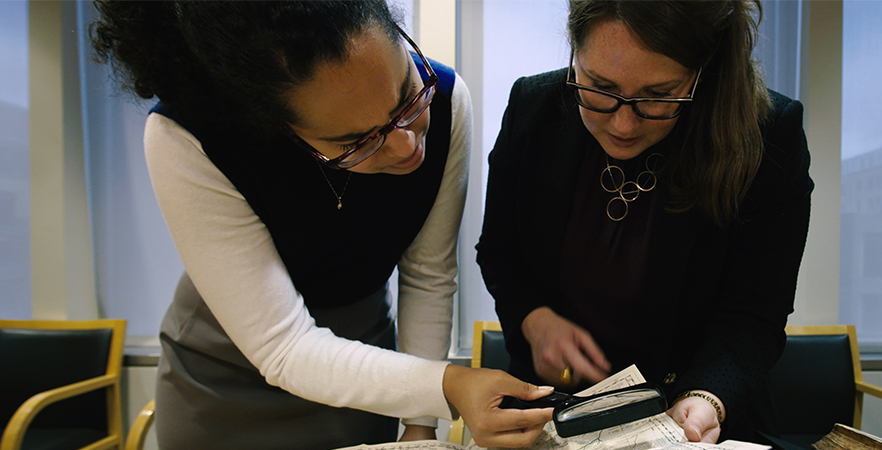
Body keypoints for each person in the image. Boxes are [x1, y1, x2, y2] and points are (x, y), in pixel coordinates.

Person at [90, 2, 552, 449]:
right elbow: (282, 348)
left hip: (369, 371)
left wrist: (418, 425)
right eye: (356, 140)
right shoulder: (187, 138)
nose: (407, 145)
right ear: (277, 127)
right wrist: (447, 385)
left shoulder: (447, 97)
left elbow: (429, 276)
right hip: (225, 382)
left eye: (406, 96)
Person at [476, 0, 813, 445]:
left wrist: (708, 398)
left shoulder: (767, 134)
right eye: (599, 87)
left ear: (700, 72)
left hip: (686, 415)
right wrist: (535, 319)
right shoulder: (532, 109)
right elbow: (500, 253)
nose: (623, 123)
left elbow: (753, 316)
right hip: (555, 413)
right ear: (573, 52)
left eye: (657, 96)